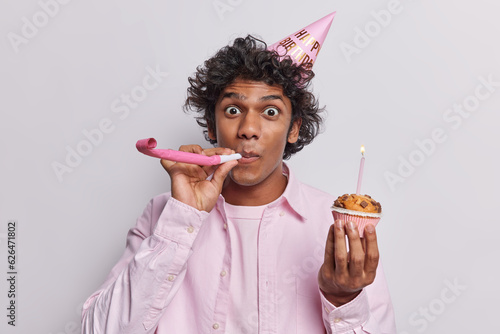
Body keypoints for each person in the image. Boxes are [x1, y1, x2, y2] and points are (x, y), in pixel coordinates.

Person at [82, 30, 396, 333]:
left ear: (294, 129)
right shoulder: (163, 213)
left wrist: (342, 299)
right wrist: (183, 217)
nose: (248, 128)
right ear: (211, 124)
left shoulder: (339, 227)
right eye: (233, 109)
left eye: (270, 111)